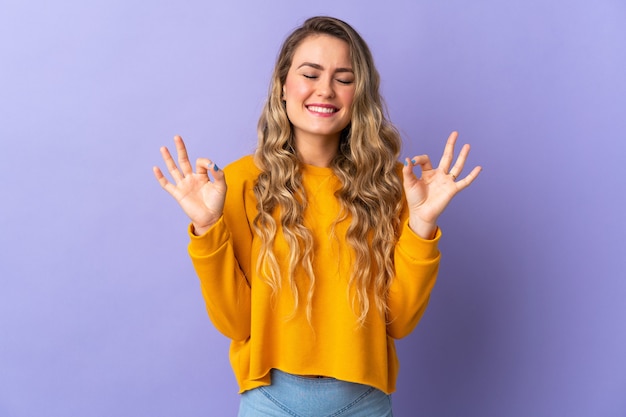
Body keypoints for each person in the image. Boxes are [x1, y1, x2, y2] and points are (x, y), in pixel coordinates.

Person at [153, 16, 481, 417]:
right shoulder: (237, 183)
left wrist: (422, 224)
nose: (325, 89)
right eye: (310, 74)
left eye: (344, 78)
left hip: (363, 404)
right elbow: (236, 324)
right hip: (270, 402)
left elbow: (398, 323)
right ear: (283, 86)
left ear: (360, 93)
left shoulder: (396, 186)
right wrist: (207, 228)